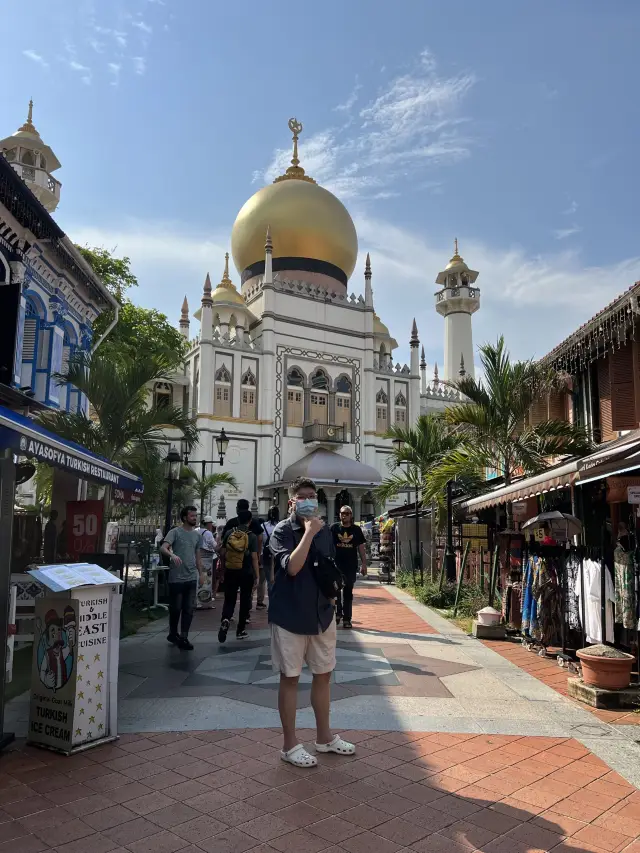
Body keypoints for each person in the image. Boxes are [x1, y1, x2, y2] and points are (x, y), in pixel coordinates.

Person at [269, 476, 355, 768]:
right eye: (302, 496)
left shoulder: (325, 531)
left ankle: (324, 737)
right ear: (292, 501)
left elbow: (327, 567)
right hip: (290, 616)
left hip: (321, 614)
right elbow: (292, 567)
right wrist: (307, 533)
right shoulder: (282, 531)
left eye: (312, 496)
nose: (309, 501)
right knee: (290, 678)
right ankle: (290, 745)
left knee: (323, 674)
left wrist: (332, 600)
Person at [160, 506, 205, 650]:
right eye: (192, 516)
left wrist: (201, 573)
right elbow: (163, 547)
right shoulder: (175, 532)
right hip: (177, 576)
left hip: (191, 576)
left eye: (195, 516)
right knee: (176, 608)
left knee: (189, 608)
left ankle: (184, 637)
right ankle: (173, 633)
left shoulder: (197, 535)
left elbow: (198, 555)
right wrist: (172, 555)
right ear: (185, 517)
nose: (195, 518)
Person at [218, 509, 259, 642]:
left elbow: (223, 553)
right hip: (246, 572)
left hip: (231, 570)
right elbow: (254, 557)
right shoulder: (251, 536)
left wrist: (222, 570)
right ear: (250, 521)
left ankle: (225, 618)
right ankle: (240, 630)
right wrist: (257, 575)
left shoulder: (230, 532)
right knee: (245, 600)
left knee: (229, 598)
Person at [223, 499, 263, 619]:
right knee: (246, 595)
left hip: (231, 565)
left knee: (230, 595)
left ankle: (226, 617)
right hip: (247, 565)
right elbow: (260, 538)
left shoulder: (231, 524)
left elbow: (223, 547)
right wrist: (258, 553)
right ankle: (244, 618)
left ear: (237, 509)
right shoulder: (254, 524)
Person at [331, 506, 367, 629]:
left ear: (351, 515)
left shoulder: (356, 530)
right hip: (336, 566)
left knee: (348, 593)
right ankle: (338, 613)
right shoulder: (334, 528)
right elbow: (328, 545)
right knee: (335, 591)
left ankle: (347, 619)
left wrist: (364, 564)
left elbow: (361, 548)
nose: (344, 515)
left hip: (350, 567)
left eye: (347, 513)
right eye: (342, 513)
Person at [257, 506, 280, 609]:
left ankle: (260, 601)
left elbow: (260, 541)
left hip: (264, 555)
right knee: (275, 580)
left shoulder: (263, 526)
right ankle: (274, 603)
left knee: (264, 579)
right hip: (278, 556)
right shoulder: (281, 525)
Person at [198, 516, 218, 609]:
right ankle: (205, 602)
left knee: (199, 579)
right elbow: (215, 546)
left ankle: (198, 601)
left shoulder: (197, 531)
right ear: (208, 524)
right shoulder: (208, 533)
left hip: (198, 557)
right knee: (207, 580)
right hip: (207, 558)